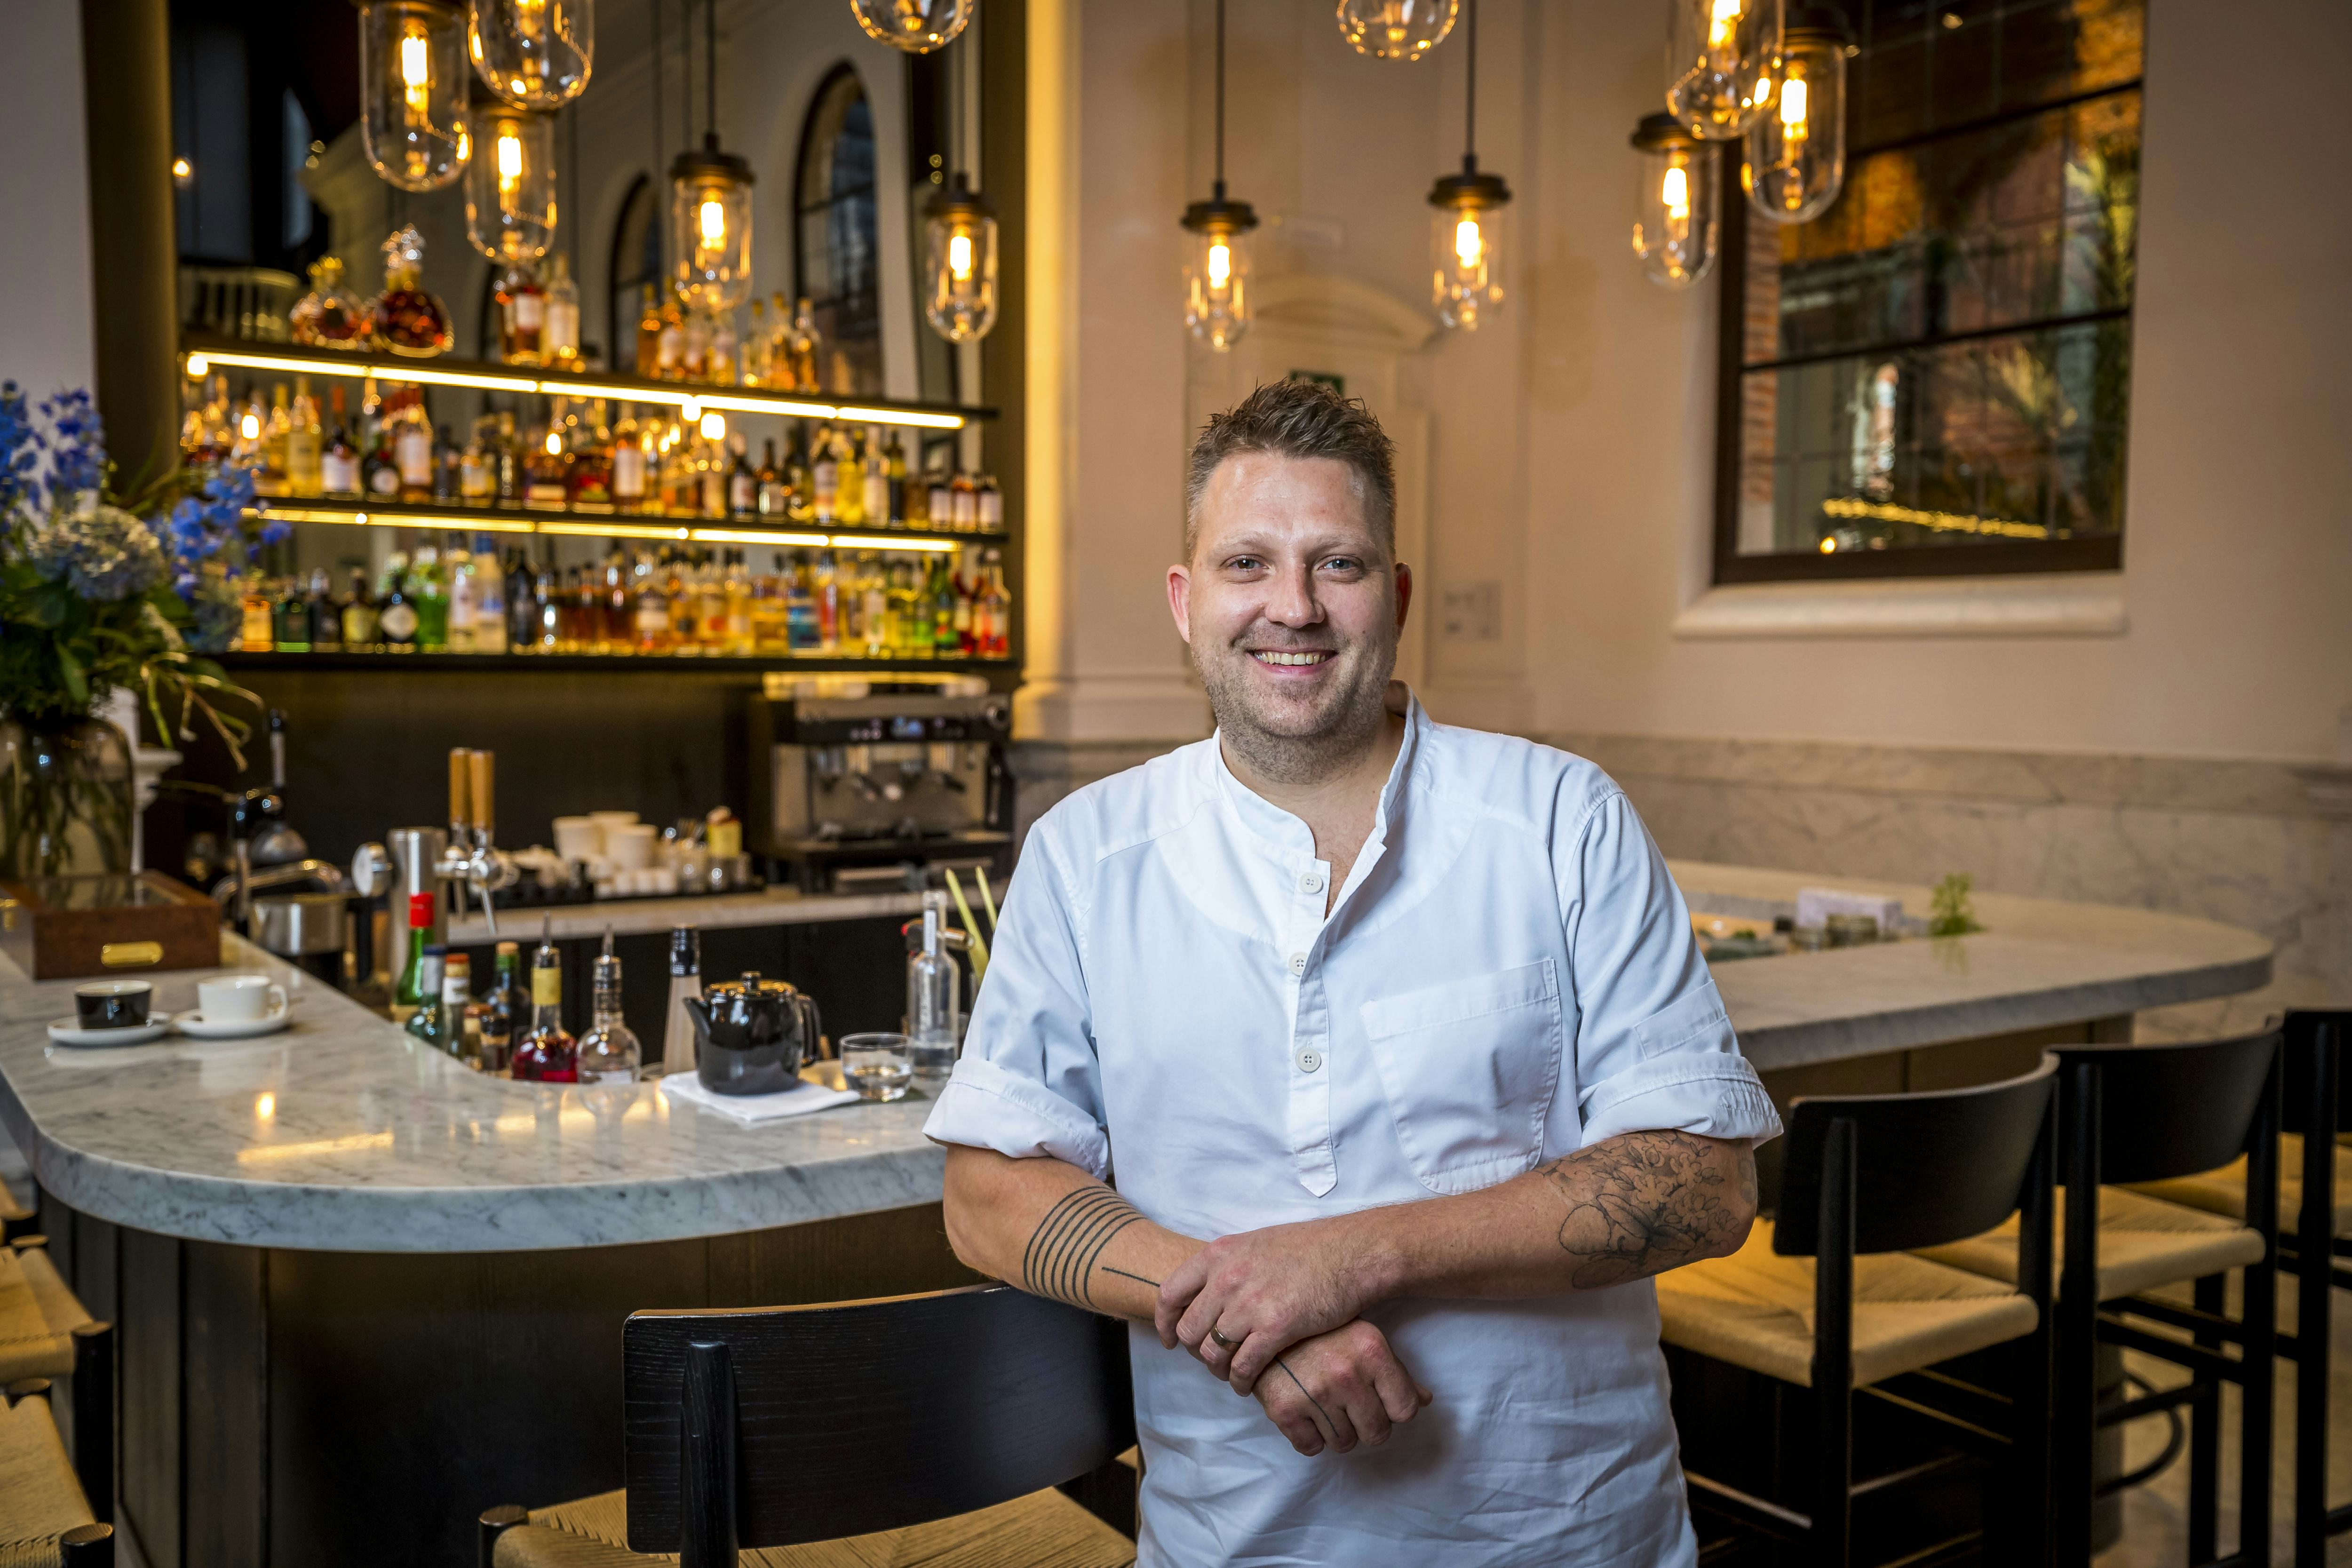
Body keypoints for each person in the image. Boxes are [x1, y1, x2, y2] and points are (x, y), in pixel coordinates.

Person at [925, 379, 1782, 1565]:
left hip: (1568, 1537)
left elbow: (1705, 1182)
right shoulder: (1086, 853)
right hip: (1230, 1544)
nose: (1293, 607)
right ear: (1185, 601)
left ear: (1397, 594)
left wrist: (1353, 1253)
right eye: (1246, 565)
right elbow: (985, 1190)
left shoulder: (1560, 817)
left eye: (1338, 563)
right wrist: (1258, 1311)